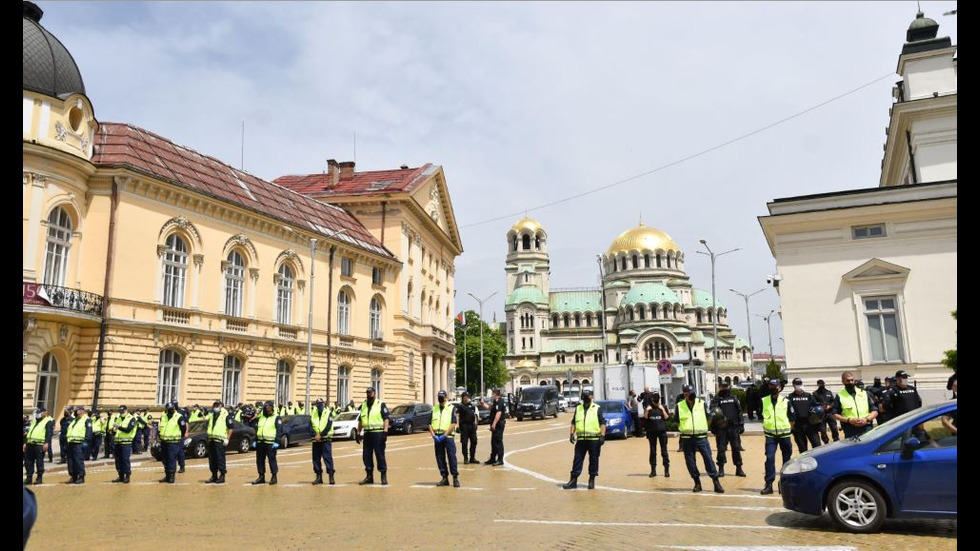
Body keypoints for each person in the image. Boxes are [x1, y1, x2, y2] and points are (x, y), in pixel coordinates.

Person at [675, 385, 724, 493]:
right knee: (690, 462)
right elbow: (676, 421)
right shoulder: (680, 405)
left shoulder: (701, 404)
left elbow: (709, 416)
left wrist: (705, 426)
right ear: (684, 394)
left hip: (701, 437)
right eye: (687, 393)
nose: (689, 395)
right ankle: (697, 483)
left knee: (708, 460)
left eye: (691, 392)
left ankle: (716, 482)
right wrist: (684, 428)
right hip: (687, 438)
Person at [563, 388, 605, 490]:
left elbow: (602, 423)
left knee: (593, 460)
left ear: (591, 397)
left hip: (594, 440)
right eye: (585, 396)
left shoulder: (597, 408)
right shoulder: (578, 408)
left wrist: (602, 436)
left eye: (588, 396)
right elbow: (574, 422)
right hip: (581, 439)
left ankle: (592, 479)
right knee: (577, 460)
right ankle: (573, 480)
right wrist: (571, 433)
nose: (586, 398)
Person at [760, 378, 792, 495]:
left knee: (787, 461)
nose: (773, 388)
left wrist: (787, 429)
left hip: (785, 436)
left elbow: (792, 419)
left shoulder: (786, 401)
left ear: (779, 388)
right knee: (769, 459)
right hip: (770, 436)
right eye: (771, 386)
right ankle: (768, 485)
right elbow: (761, 416)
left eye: (775, 386)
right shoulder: (763, 401)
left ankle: (786, 485)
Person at [710, 380, 746, 477]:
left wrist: (741, 424)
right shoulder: (716, 399)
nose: (724, 388)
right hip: (721, 429)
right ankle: (721, 469)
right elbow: (713, 414)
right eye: (722, 386)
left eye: (726, 386)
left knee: (736, 448)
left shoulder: (733, 397)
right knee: (721, 449)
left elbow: (739, 411)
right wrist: (713, 427)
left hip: (733, 427)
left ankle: (739, 468)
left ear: (728, 386)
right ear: (720, 387)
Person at [356, 387, 389, 485]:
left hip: (378, 433)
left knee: (380, 455)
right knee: (366, 456)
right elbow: (361, 420)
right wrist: (358, 433)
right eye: (367, 393)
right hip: (367, 434)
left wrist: (385, 432)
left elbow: (386, 419)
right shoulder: (364, 405)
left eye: (370, 393)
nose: (369, 394)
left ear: (374, 393)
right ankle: (369, 476)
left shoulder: (380, 404)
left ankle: (383, 475)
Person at [832, 371, 878, 439]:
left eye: (852, 380)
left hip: (866, 427)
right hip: (850, 429)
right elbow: (835, 415)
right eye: (848, 381)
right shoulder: (840, 396)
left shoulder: (864, 393)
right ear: (843, 382)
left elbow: (875, 411)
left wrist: (866, 419)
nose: (850, 382)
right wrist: (849, 420)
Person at [429, 390, 460, 488]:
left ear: (446, 397)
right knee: (440, 458)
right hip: (437, 436)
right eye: (439, 396)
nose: (440, 398)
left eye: (442, 396)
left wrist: (445, 435)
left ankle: (455, 477)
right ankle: (444, 477)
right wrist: (433, 435)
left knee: (451, 457)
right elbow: (429, 424)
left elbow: (453, 423)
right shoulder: (434, 409)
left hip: (448, 437)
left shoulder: (451, 408)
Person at [253, 400, 284, 485]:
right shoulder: (261, 417)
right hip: (260, 442)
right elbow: (258, 429)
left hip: (271, 443)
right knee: (259, 460)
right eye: (266, 406)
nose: (267, 408)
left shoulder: (276, 417)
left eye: (268, 407)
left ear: (272, 407)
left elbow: (279, 430)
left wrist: (277, 441)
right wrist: (255, 440)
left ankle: (274, 476)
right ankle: (261, 476)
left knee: (272, 460)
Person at [787, 378, 820, 454]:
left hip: (810, 425)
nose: (799, 385)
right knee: (803, 450)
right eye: (797, 384)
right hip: (798, 426)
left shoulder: (809, 396)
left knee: (817, 446)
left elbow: (817, 408)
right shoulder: (790, 397)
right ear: (793, 385)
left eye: (800, 383)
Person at [205, 400, 233, 484]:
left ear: (221, 406)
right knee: (212, 459)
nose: (216, 407)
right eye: (215, 405)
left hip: (220, 441)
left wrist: (227, 438)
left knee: (220, 458)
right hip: (211, 439)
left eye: (218, 405)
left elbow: (231, 428)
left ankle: (222, 475)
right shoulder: (211, 414)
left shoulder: (226, 415)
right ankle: (214, 475)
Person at [157, 401, 186, 484]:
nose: (170, 410)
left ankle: (171, 476)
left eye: (171, 409)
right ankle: (167, 475)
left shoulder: (179, 417)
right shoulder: (163, 417)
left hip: (173, 442)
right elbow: (160, 427)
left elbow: (183, 429)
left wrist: (179, 437)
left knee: (171, 459)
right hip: (164, 441)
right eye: (168, 409)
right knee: (164, 459)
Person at [24, 406, 53, 485]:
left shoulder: (48, 421)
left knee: (39, 462)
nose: (38, 414)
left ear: (45, 413)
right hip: (30, 444)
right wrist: (25, 443)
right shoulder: (34, 421)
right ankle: (29, 477)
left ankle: (39, 478)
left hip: (39, 445)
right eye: (37, 413)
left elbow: (49, 433)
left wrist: (47, 443)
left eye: (40, 412)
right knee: (28, 462)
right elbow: (29, 432)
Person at [643, 392, 670, 477]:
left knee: (664, 451)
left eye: (657, 398)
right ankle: (653, 471)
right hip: (651, 432)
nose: (656, 400)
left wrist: (662, 409)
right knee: (653, 451)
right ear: (652, 399)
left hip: (662, 433)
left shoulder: (663, 407)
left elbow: (666, 418)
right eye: (654, 398)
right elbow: (645, 418)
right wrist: (647, 410)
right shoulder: (649, 408)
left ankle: (666, 470)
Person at [310, 398, 336, 485]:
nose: (319, 405)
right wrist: (315, 435)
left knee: (327, 458)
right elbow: (310, 426)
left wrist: (320, 435)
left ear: (323, 404)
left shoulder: (328, 413)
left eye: (321, 403)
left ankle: (331, 476)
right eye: (318, 404)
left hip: (325, 439)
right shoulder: (313, 413)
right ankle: (318, 477)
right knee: (316, 459)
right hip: (316, 440)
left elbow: (329, 425)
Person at [65, 405, 91, 484]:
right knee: (70, 461)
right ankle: (73, 476)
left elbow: (89, 432)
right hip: (71, 443)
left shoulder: (87, 419)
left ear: (82, 411)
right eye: (76, 411)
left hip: (79, 443)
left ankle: (81, 476)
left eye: (78, 410)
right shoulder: (75, 420)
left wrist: (86, 442)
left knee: (78, 460)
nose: (76, 412)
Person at [111, 405, 136, 484]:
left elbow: (128, 430)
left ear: (126, 410)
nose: (121, 412)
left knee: (125, 460)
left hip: (126, 443)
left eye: (122, 410)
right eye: (120, 411)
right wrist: (112, 431)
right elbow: (115, 430)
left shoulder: (131, 418)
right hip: (117, 442)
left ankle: (127, 476)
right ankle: (120, 476)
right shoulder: (117, 418)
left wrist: (118, 427)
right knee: (118, 460)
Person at [813, 379, 839, 444]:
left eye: (822, 384)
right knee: (823, 430)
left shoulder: (828, 392)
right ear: (818, 385)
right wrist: (821, 406)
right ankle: (826, 442)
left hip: (830, 413)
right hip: (821, 415)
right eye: (820, 384)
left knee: (834, 428)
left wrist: (830, 406)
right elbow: (814, 403)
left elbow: (833, 401)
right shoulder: (815, 393)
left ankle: (836, 440)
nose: (821, 385)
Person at [485, 389, 507, 466]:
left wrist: (494, 423)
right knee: (493, 442)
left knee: (498, 441)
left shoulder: (500, 401)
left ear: (496, 394)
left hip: (499, 424)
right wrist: (483, 404)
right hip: (496, 425)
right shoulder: (496, 402)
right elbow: (491, 408)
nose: (492, 395)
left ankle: (500, 459)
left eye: (492, 394)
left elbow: (498, 413)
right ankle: (492, 458)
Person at [457, 391, 479, 464]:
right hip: (464, 426)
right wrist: (457, 425)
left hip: (472, 426)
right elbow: (457, 415)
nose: (466, 398)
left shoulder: (471, 405)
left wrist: (475, 421)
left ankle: (472, 458)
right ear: (462, 398)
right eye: (465, 397)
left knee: (474, 441)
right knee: (464, 443)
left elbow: (475, 414)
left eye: (468, 397)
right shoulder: (460, 406)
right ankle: (465, 458)